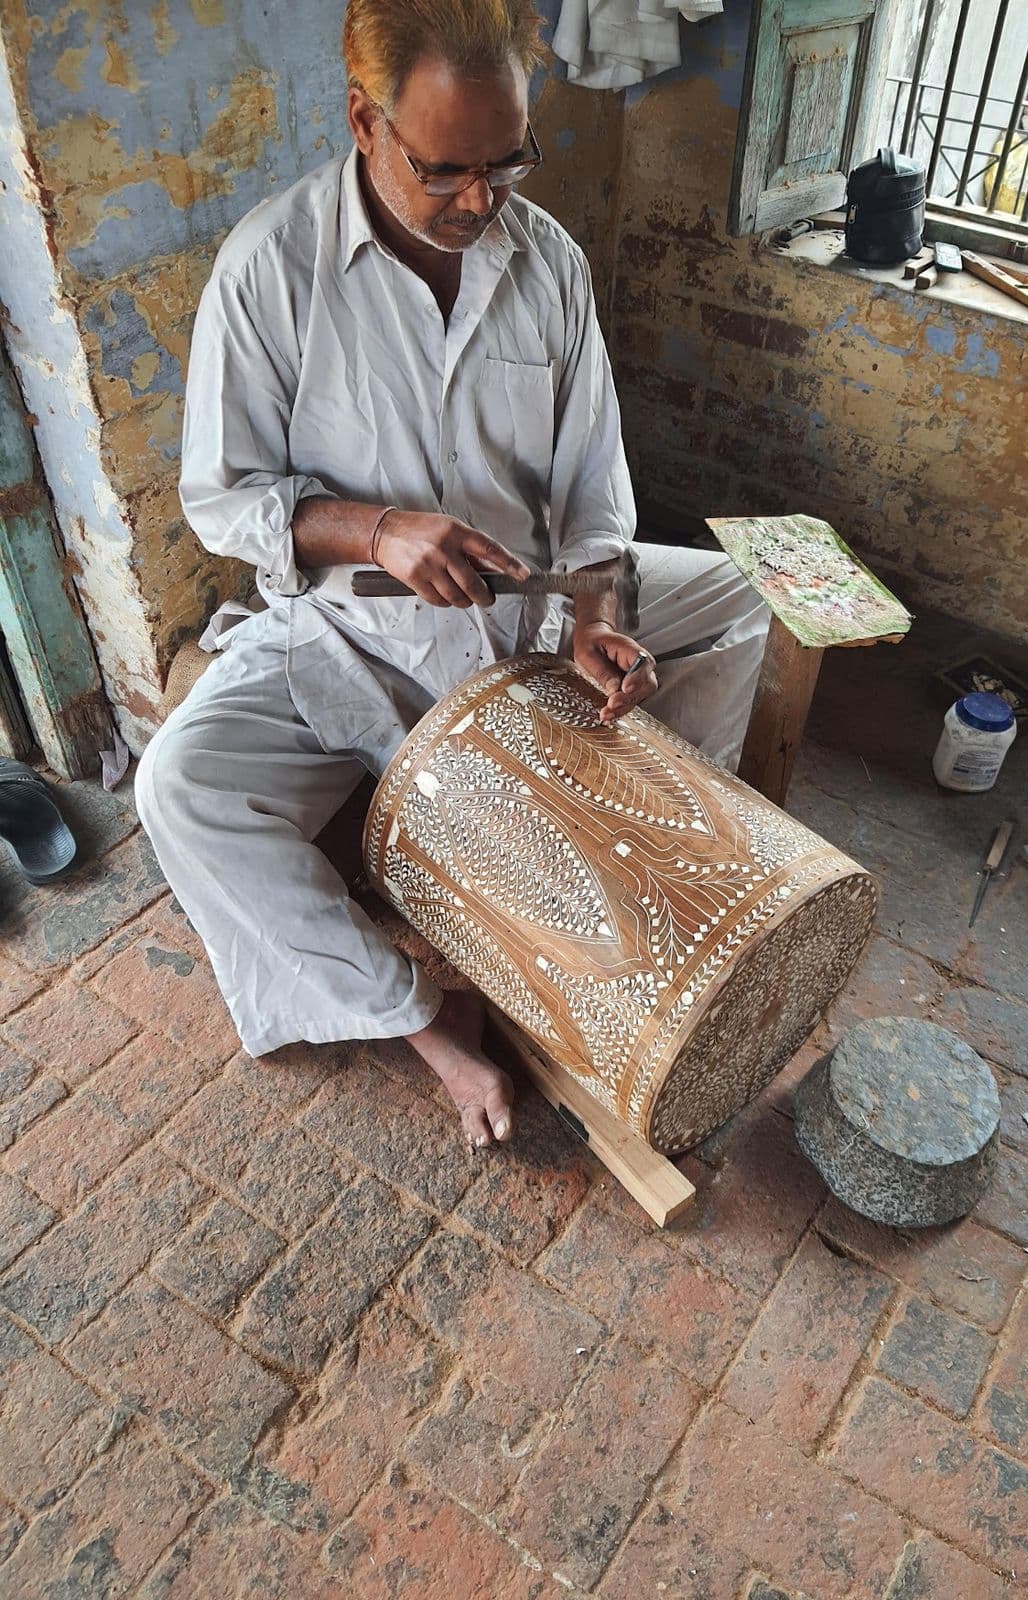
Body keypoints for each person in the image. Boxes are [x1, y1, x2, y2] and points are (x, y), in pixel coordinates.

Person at [136, 0, 768, 1150]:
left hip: (522, 614)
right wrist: (375, 531)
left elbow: (592, 484)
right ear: (364, 122)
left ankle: (651, 832)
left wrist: (595, 611)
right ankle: (421, 1017)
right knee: (179, 788)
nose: (484, 201)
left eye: (509, 160)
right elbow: (224, 497)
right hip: (348, 639)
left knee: (732, 599)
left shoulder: (550, 264)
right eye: (448, 172)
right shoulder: (268, 273)